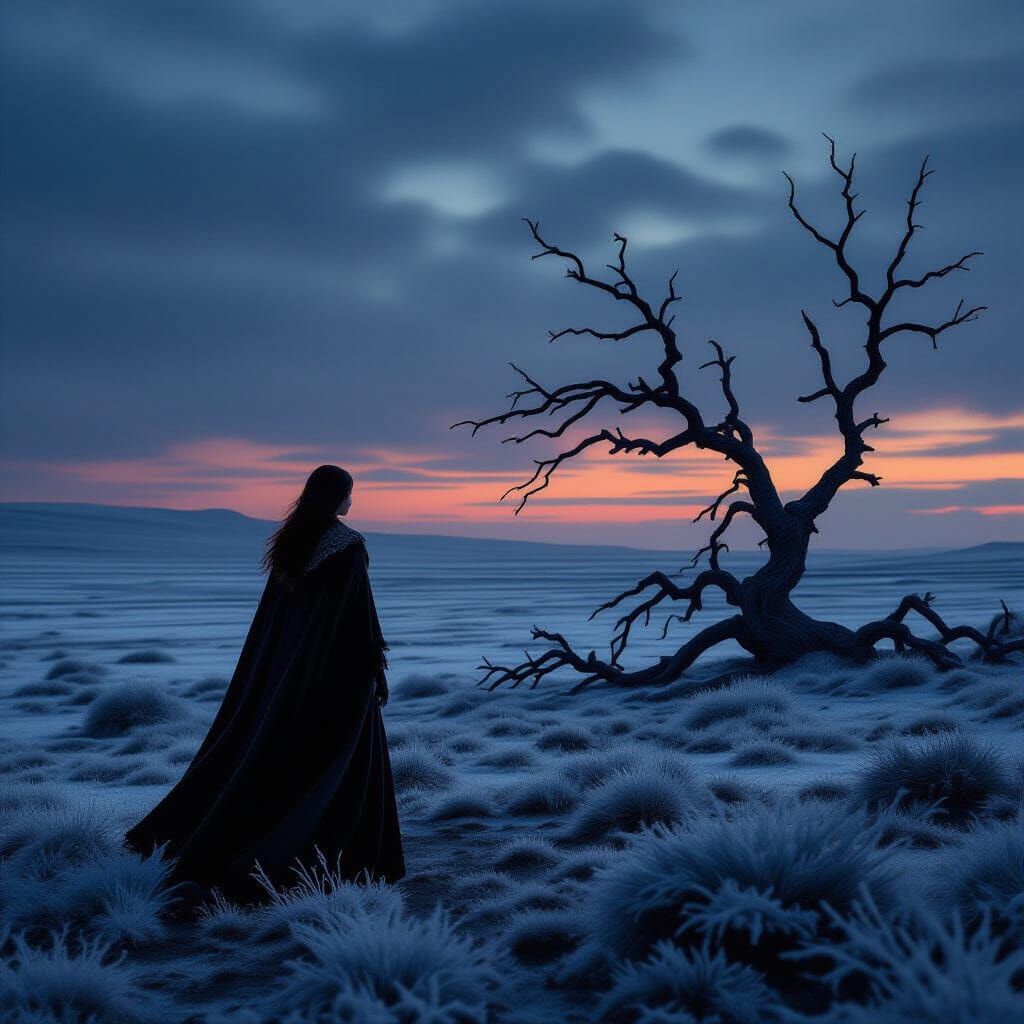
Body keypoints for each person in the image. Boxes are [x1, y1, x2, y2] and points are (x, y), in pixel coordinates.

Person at [124, 465, 405, 905]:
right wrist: (376, 670)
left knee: (286, 759)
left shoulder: (294, 541)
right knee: (344, 762)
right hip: (340, 676)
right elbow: (359, 618)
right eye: (349, 492)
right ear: (337, 495)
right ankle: (345, 860)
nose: (352, 500)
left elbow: (281, 624)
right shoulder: (346, 546)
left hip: (292, 676)